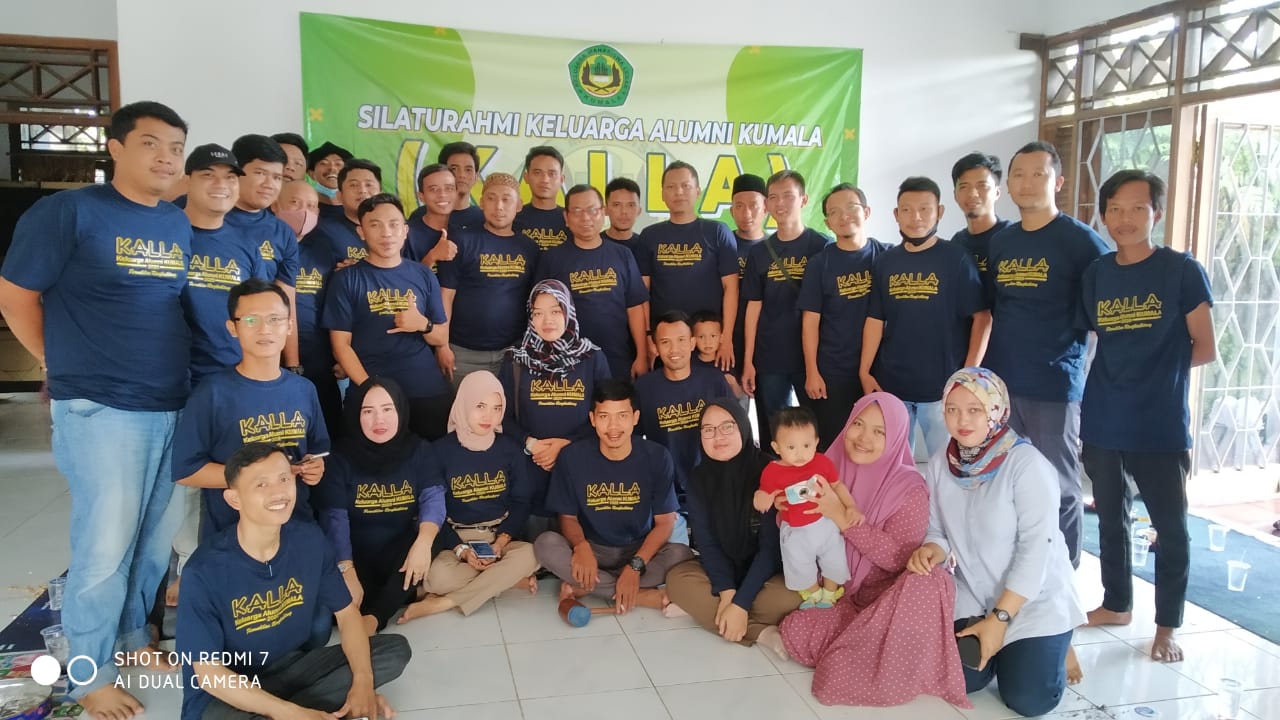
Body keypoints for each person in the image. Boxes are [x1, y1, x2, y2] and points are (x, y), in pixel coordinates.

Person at [0, 100, 193, 718]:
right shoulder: (69, 212)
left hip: (171, 401)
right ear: (115, 148)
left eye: (176, 148)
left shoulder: (176, 223)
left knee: (154, 544)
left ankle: (135, 641)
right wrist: (59, 364)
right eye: (151, 143)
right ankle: (90, 674)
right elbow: (15, 296)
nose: (165, 157)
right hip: (101, 409)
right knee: (103, 552)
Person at [1081, 170, 1215, 663]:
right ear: (1104, 215)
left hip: (1158, 422)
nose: (1125, 219)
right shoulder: (1097, 273)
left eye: (1138, 208)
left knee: (1170, 527)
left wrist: (1156, 376)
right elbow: (1097, 339)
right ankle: (1116, 604)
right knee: (1110, 518)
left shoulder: (1181, 270)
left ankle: (1166, 626)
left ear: (1156, 213)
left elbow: (1205, 346)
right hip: (1104, 416)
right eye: (1115, 209)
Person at [177, 442, 411, 720]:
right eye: (261, 484)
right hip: (227, 689)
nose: (278, 492)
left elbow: (347, 614)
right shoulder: (203, 571)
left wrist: (362, 683)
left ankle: (307, 709)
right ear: (234, 499)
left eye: (284, 479)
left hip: (290, 666)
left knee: (394, 650)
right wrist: (292, 713)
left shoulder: (309, 540)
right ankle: (317, 708)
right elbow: (208, 674)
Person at [766, 392, 969, 708]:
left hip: (888, 596)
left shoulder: (908, 488)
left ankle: (866, 652)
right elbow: (797, 532)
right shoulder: (824, 466)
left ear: (896, 437)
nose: (863, 438)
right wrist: (783, 510)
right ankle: (874, 644)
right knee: (796, 625)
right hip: (835, 592)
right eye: (858, 424)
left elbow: (898, 559)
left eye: (879, 431)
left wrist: (842, 518)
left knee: (929, 581)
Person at [907, 368, 1085, 716]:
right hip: (976, 593)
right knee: (961, 680)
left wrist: (1000, 619)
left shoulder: (1027, 464)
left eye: (974, 409)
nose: (962, 420)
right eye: (952, 409)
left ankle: (1057, 640)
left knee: (1028, 700)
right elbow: (938, 531)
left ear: (995, 410)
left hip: (1033, 596)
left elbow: (1037, 549)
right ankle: (1013, 649)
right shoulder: (943, 462)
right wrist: (930, 551)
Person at [985, 141, 1109, 567]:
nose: (1027, 183)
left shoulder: (1082, 242)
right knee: (1007, 482)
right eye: (1018, 174)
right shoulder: (1002, 242)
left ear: (1058, 182)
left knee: (1059, 486)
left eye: (1038, 174)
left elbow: (1102, 316)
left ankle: (1064, 577)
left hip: (1054, 384)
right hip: (1003, 384)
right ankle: (1016, 571)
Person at [174, 279, 329, 537]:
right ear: (232, 328)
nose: (264, 329)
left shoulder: (304, 390)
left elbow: (316, 453)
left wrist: (315, 468)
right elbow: (187, 471)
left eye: (274, 319)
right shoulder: (212, 393)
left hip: (296, 528)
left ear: (289, 325)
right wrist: (260, 476)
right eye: (250, 320)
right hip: (233, 537)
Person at [533, 380, 695, 612]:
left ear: (635, 418)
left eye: (622, 416)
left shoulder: (658, 457)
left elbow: (665, 523)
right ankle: (639, 595)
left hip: (638, 550)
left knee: (681, 554)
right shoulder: (572, 457)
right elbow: (567, 517)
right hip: (593, 549)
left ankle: (592, 586)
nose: (613, 426)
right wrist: (581, 547)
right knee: (545, 544)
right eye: (604, 416)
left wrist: (635, 566)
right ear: (592, 419)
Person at [861, 177, 989, 457]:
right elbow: (875, 319)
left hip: (943, 389)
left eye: (924, 209)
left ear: (939, 212)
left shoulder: (956, 258)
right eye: (907, 210)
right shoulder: (886, 262)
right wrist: (865, 371)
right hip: (893, 385)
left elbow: (982, 318)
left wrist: (968, 375)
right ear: (896, 214)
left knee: (949, 465)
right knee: (895, 465)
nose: (915, 217)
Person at [404, 371, 540, 621]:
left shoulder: (509, 449)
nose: (489, 416)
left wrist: (500, 543)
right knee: (437, 577)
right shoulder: (439, 451)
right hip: (457, 538)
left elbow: (521, 502)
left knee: (533, 554)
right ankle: (507, 580)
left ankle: (446, 602)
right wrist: (462, 551)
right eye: (480, 406)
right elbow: (431, 510)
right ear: (464, 403)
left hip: (500, 536)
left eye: (497, 408)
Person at [664, 400, 801, 645]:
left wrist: (741, 602)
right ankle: (760, 632)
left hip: (768, 575)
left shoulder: (771, 472)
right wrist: (728, 594)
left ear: (743, 427)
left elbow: (770, 550)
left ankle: (711, 612)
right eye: (708, 429)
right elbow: (706, 544)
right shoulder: (699, 478)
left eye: (727, 426)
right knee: (677, 580)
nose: (718, 436)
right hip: (723, 571)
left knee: (790, 598)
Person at [318, 377, 446, 633]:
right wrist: (346, 569)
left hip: (398, 551)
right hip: (354, 553)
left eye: (388, 409)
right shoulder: (339, 457)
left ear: (400, 410)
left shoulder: (419, 449)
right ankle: (405, 594)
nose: (379, 420)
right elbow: (334, 518)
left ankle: (376, 618)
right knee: (330, 611)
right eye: (368, 411)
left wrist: (423, 542)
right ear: (355, 414)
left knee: (430, 536)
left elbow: (433, 497)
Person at [323, 193, 453, 440]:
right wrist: (370, 388)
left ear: (405, 231)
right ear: (361, 232)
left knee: (430, 458)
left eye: (394, 224)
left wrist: (422, 324)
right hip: (370, 393)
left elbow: (441, 337)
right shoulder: (346, 278)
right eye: (375, 225)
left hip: (424, 390)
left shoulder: (423, 275)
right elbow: (341, 346)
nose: (386, 233)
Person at [499, 279, 612, 531]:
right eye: (538, 313)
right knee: (536, 544)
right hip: (532, 472)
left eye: (555, 311)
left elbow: (607, 414)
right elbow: (502, 417)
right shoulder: (516, 359)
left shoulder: (592, 358)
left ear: (568, 312)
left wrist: (567, 444)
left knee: (579, 546)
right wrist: (532, 444)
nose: (547, 320)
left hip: (580, 470)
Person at [799, 183, 888, 450]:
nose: (843, 215)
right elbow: (810, 322)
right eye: (834, 212)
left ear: (866, 212)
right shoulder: (819, 264)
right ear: (827, 222)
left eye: (851, 207)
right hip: (833, 370)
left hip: (881, 369)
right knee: (835, 444)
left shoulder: (887, 257)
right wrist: (812, 372)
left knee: (877, 444)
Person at [741, 170, 831, 433]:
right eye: (773, 197)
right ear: (766, 204)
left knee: (817, 428)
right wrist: (748, 360)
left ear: (803, 200)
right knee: (775, 429)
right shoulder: (759, 253)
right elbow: (753, 307)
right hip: (770, 356)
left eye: (788, 196)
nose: (780, 203)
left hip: (813, 357)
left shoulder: (822, 246)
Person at [180, 144, 271, 387]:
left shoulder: (247, 246)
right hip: (172, 379)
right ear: (187, 181)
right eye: (208, 175)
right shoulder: (165, 234)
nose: (221, 184)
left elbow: (260, 310)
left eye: (230, 177)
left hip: (233, 378)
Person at [437, 172, 540, 386]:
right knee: (463, 407)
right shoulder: (462, 240)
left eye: (506, 199)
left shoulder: (529, 248)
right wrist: (442, 346)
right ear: (482, 202)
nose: (499, 207)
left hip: (513, 353)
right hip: (463, 354)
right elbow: (445, 295)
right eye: (492, 199)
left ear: (519, 205)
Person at [538, 183, 649, 381]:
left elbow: (634, 308)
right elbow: (540, 313)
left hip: (617, 359)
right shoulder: (552, 259)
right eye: (577, 211)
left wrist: (642, 355)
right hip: (568, 361)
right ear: (566, 217)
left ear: (603, 212)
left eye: (592, 210)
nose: (586, 218)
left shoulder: (622, 255)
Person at [637, 161, 739, 369]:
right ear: (662, 194)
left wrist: (726, 338)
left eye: (685, 185)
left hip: (708, 342)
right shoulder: (649, 236)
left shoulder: (717, 231)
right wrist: (648, 336)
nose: (679, 192)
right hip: (666, 342)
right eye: (671, 187)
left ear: (698, 191)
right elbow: (641, 293)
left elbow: (731, 288)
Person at [754, 407, 850, 608]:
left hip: (824, 522)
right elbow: (764, 493)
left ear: (816, 442)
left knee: (834, 556)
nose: (801, 453)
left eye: (807, 445)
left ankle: (830, 593)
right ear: (776, 447)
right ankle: (813, 593)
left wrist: (851, 506)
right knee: (797, 561)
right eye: (791, 447)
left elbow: (837, 485)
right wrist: (762, 499)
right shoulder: (772, 471)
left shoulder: (822, 462)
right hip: (794, 528)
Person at [635, 311, 731, 507]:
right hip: (666, 491)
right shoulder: (643, 388)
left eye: (681, 340)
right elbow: (634, 441)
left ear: (692, 343)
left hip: (714, 486)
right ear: (655, 347)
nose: (674, 349)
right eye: (665, 342)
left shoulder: (714, 381)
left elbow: (736, 431)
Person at [227, 133, 302, 372]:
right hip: (200, 355)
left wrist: (293, 364)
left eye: (277, 177)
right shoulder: (204, 215)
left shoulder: (282, 232)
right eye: (260, 173)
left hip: (258, 357)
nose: (270, 184)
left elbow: (286, 301)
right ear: (236, 171)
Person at [950, 152, 1012, 287]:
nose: (973, 193)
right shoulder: (956, 244)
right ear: (955, 195)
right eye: (964, 186)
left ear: (997, 192)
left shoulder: (1012, 238)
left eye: (982, 186)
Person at [310, 158, 381, 267]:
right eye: (353, 185)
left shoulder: (396, 230)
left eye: (369, 185)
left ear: (380, 194)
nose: (362, 190)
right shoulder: (323, 231)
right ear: (339, 196)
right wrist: (341, 273)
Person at [404, 162, 461, 269]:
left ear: (457, 193)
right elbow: (402, 278)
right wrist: (433, 256)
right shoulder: (406, 234)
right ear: (421, 196)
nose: (442, 195)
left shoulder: (465, 231)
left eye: (449, 188)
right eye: (434, 189)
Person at [515, 145, 568, 251]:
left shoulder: (571, 220)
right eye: (537, 173)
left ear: (561, 179)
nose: (545, 180)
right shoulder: (512, 218)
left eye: (552, 174)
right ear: (526, 177)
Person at [690, 310, 746, 403]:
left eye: (713, 336)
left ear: (721, 338)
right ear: (693, 339)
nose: (707, 342)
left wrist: (733, 383)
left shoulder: (726, 361)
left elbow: (739, 395)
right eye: (701, 337)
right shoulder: (689, 363)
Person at [441, 140, 486, 232]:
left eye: (468, 170)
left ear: (476, 176)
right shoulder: (424, 215)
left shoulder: (485, 219)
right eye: (454, 169)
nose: (461, 175)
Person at [307, 140, 353, 220]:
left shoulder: (356, 209)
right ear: (311, 174)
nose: (332, 168)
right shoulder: (306, 207)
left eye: (338, 164)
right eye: (324, 163)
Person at [603, 176, 643, 257]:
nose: (624, 211)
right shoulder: (594, 244)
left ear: (639, 211)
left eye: (631, 205)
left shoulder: (645, 246)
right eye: (616, 205)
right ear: (605, 210)